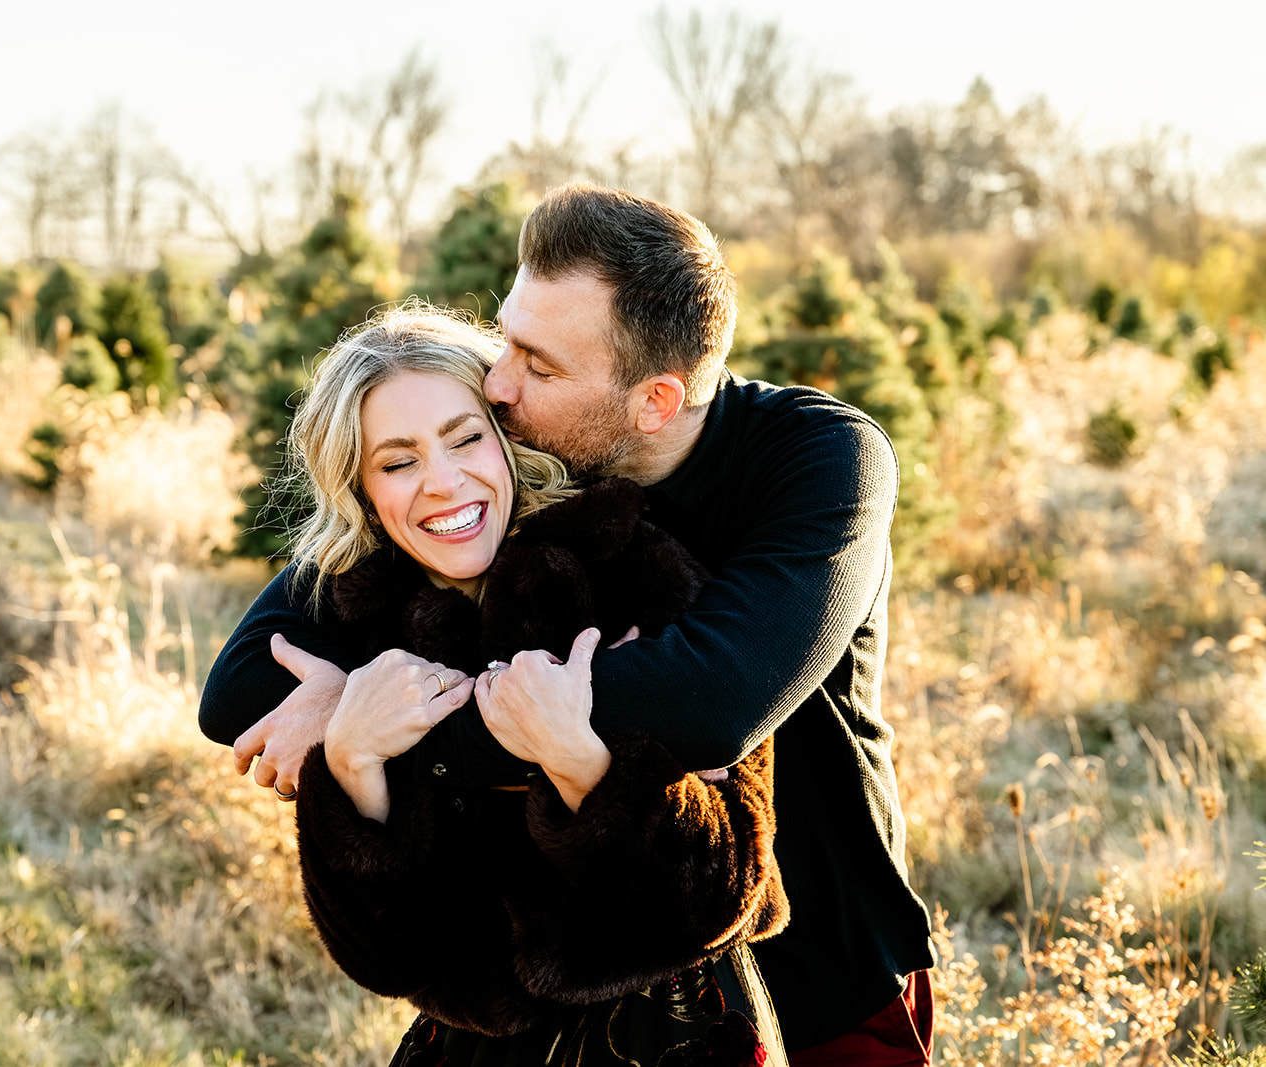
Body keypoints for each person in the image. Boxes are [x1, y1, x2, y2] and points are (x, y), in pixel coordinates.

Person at [200, 183, 937, 1066]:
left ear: (654, 401)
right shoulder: (524, 461)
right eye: (507, 338)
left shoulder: (819, 459)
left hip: (821, 946)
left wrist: (393, 722)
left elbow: (707, 700)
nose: (499, 383)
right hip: (550, 998)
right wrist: (363, 719)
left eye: (537, 364)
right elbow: (244, 685)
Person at [269, 306, 790, 1065]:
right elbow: (381, 956)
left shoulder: (638, 573)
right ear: (360, 485)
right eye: (397, 460)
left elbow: (721, 894)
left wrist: (578, 760)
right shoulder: (362, 624)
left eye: (465, 438)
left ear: (508, 437)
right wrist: (347, 761)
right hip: (471, 1048)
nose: (444, 485)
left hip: (671, 1032)